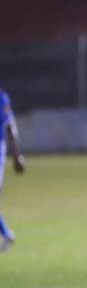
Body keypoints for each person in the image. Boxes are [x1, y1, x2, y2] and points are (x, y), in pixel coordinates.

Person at [0, 87, 25, 251]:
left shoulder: (1, 98)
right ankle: (7, 233)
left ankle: (7, 233)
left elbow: (10, 125)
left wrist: (16, 155)